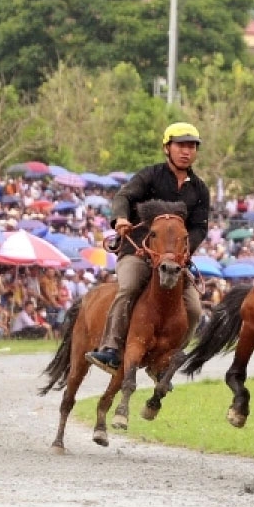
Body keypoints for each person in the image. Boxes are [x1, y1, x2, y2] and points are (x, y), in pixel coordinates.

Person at [85, 122, 209, 375]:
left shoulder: (200, 189)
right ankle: (110, 348)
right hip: (138, 252)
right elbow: (123, 197)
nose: (186, 151)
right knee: (129, 287)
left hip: (175, 260)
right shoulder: (150, 175)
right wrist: (120, 218)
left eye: (191, 146)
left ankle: (171, 356)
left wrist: (184, 251)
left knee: (195, 308)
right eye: (180, 145)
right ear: (167, 148)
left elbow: (199, 227)